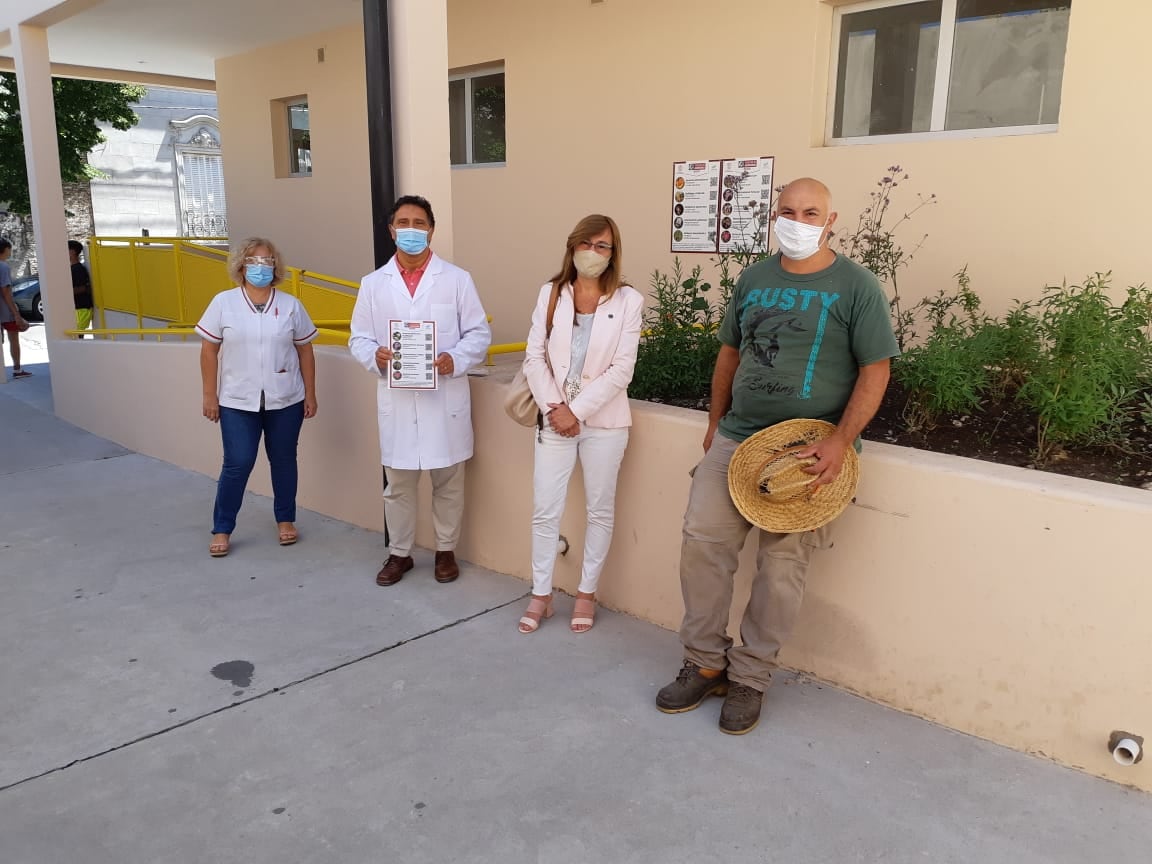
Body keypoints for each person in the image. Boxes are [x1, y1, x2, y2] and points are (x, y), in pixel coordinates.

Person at [655, 178, 900, 734]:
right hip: (738, 440)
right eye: (787, 210)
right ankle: (706, 660)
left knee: (782, 569)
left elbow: (876, 369)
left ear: (831, 219)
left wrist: (840, 441)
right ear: (774, 215)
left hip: (807, 451)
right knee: (702, 546)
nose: (797, 219)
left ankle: (751, 676)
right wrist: (715, 422)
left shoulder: (856, 287)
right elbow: (730, 352)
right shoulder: (755, 278)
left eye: (810, 212)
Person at [350, 195, 491, 586]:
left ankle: (446, 550)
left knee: (448, 482)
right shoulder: (374, 284)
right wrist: (375, 356)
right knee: (398, 486)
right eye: (403, 222)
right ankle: (400, 554)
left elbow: (479, 333)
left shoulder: (457, 280)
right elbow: (358, 337)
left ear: (431, 229)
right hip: (397, 399)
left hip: (443, 397)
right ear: (391, 230)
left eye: (419, 222)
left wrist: (455, 358)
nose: (411, 229)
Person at [518, 214, 643, 634]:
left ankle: (586, 593)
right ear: (572, 246)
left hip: (605, 424)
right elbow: (534, 356)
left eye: (603, 246)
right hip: (554, 419)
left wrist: (578, 411)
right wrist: (557, 407)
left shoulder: (628, 301)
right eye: (587, 243)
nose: (594, 253)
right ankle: (541, 593)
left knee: (599, 511)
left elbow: (622, 369)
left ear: (614, 254)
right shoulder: (551, 294)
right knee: (544, 510)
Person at [196, 237, 318, 558]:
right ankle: (222, 527)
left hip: (286, 399)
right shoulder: (224, 303)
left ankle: (285, 520)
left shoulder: (291, 305)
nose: (260, 267)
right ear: (241, 266)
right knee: (238, 463)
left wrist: (310, 392)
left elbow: (305, 350)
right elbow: (209, 350)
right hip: (237, 401)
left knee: (283, 460)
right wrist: (210, 394)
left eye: (267, 261)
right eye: (253, 261)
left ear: (276, 266)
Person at [0, 238, 31, 379]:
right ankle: (17, 369)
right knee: (14, 339)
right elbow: (6, 293)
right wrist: (16, 314)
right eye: (9, 248)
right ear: (5, 250)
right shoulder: (4, 267)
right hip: (5, 311)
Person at [68, 240, 94, 336]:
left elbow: (83, 288)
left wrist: (65, 291)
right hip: (78, 309)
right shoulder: (73, 268)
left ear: (73, 252)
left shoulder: (78, 269)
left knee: (76, 338)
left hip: (81, 309)